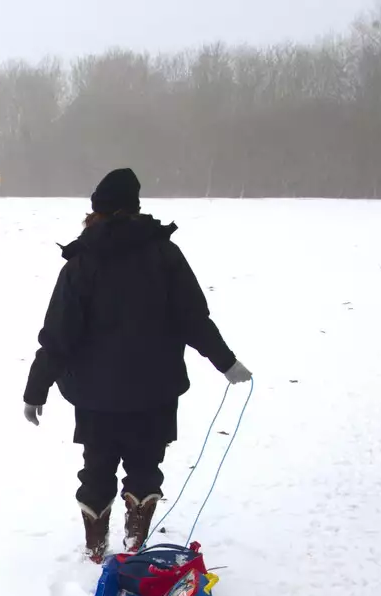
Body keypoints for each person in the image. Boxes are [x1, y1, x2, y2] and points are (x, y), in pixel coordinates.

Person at [22, 168, 251, 561]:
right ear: (135, 207)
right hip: (154, 393)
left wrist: (36, 389)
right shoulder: (165, 255)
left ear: (97, 211)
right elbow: (194, 319)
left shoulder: (81, 263)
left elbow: (58, 335)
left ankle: (96, 550)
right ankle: (134, 544)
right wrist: (226, 362)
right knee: (145, 468)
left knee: (96, 470)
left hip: (96, 397)